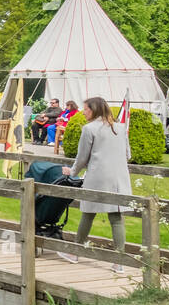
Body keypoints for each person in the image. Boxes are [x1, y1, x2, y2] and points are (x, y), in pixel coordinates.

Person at [57, 96, 132, 272]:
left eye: (86, 109)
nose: (83, 112)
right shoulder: (120, 127)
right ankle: (118, 262)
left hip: (98, 175)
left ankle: (75, 253)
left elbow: (82, 157)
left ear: (95, 110)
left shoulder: (89, 129)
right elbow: (128, 154)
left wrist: (72, 172)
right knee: (116, 217)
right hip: (119, 177)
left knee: (88, 212)